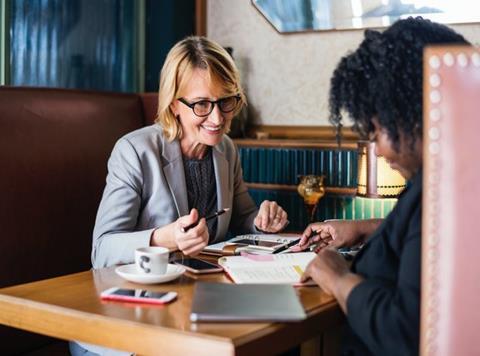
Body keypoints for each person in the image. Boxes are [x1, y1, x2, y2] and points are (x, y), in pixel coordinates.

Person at [72, 36, 288, 356]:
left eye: (226, 101)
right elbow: (102, 250)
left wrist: (262, 222)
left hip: (191, 310)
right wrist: (166, 238)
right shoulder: (134, 151)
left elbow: (243, 217)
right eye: (202, 104)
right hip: (125, 323)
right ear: (174, 103)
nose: (217, 118)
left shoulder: (225, 149)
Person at [292, 18, 469, 356]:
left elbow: (405, 332)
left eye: (376, 131)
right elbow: (427, 242)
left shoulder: (438, 193)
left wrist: (338, 277)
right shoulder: (450, 182)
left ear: (410, 114)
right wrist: (366, 228)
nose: (381, 150)